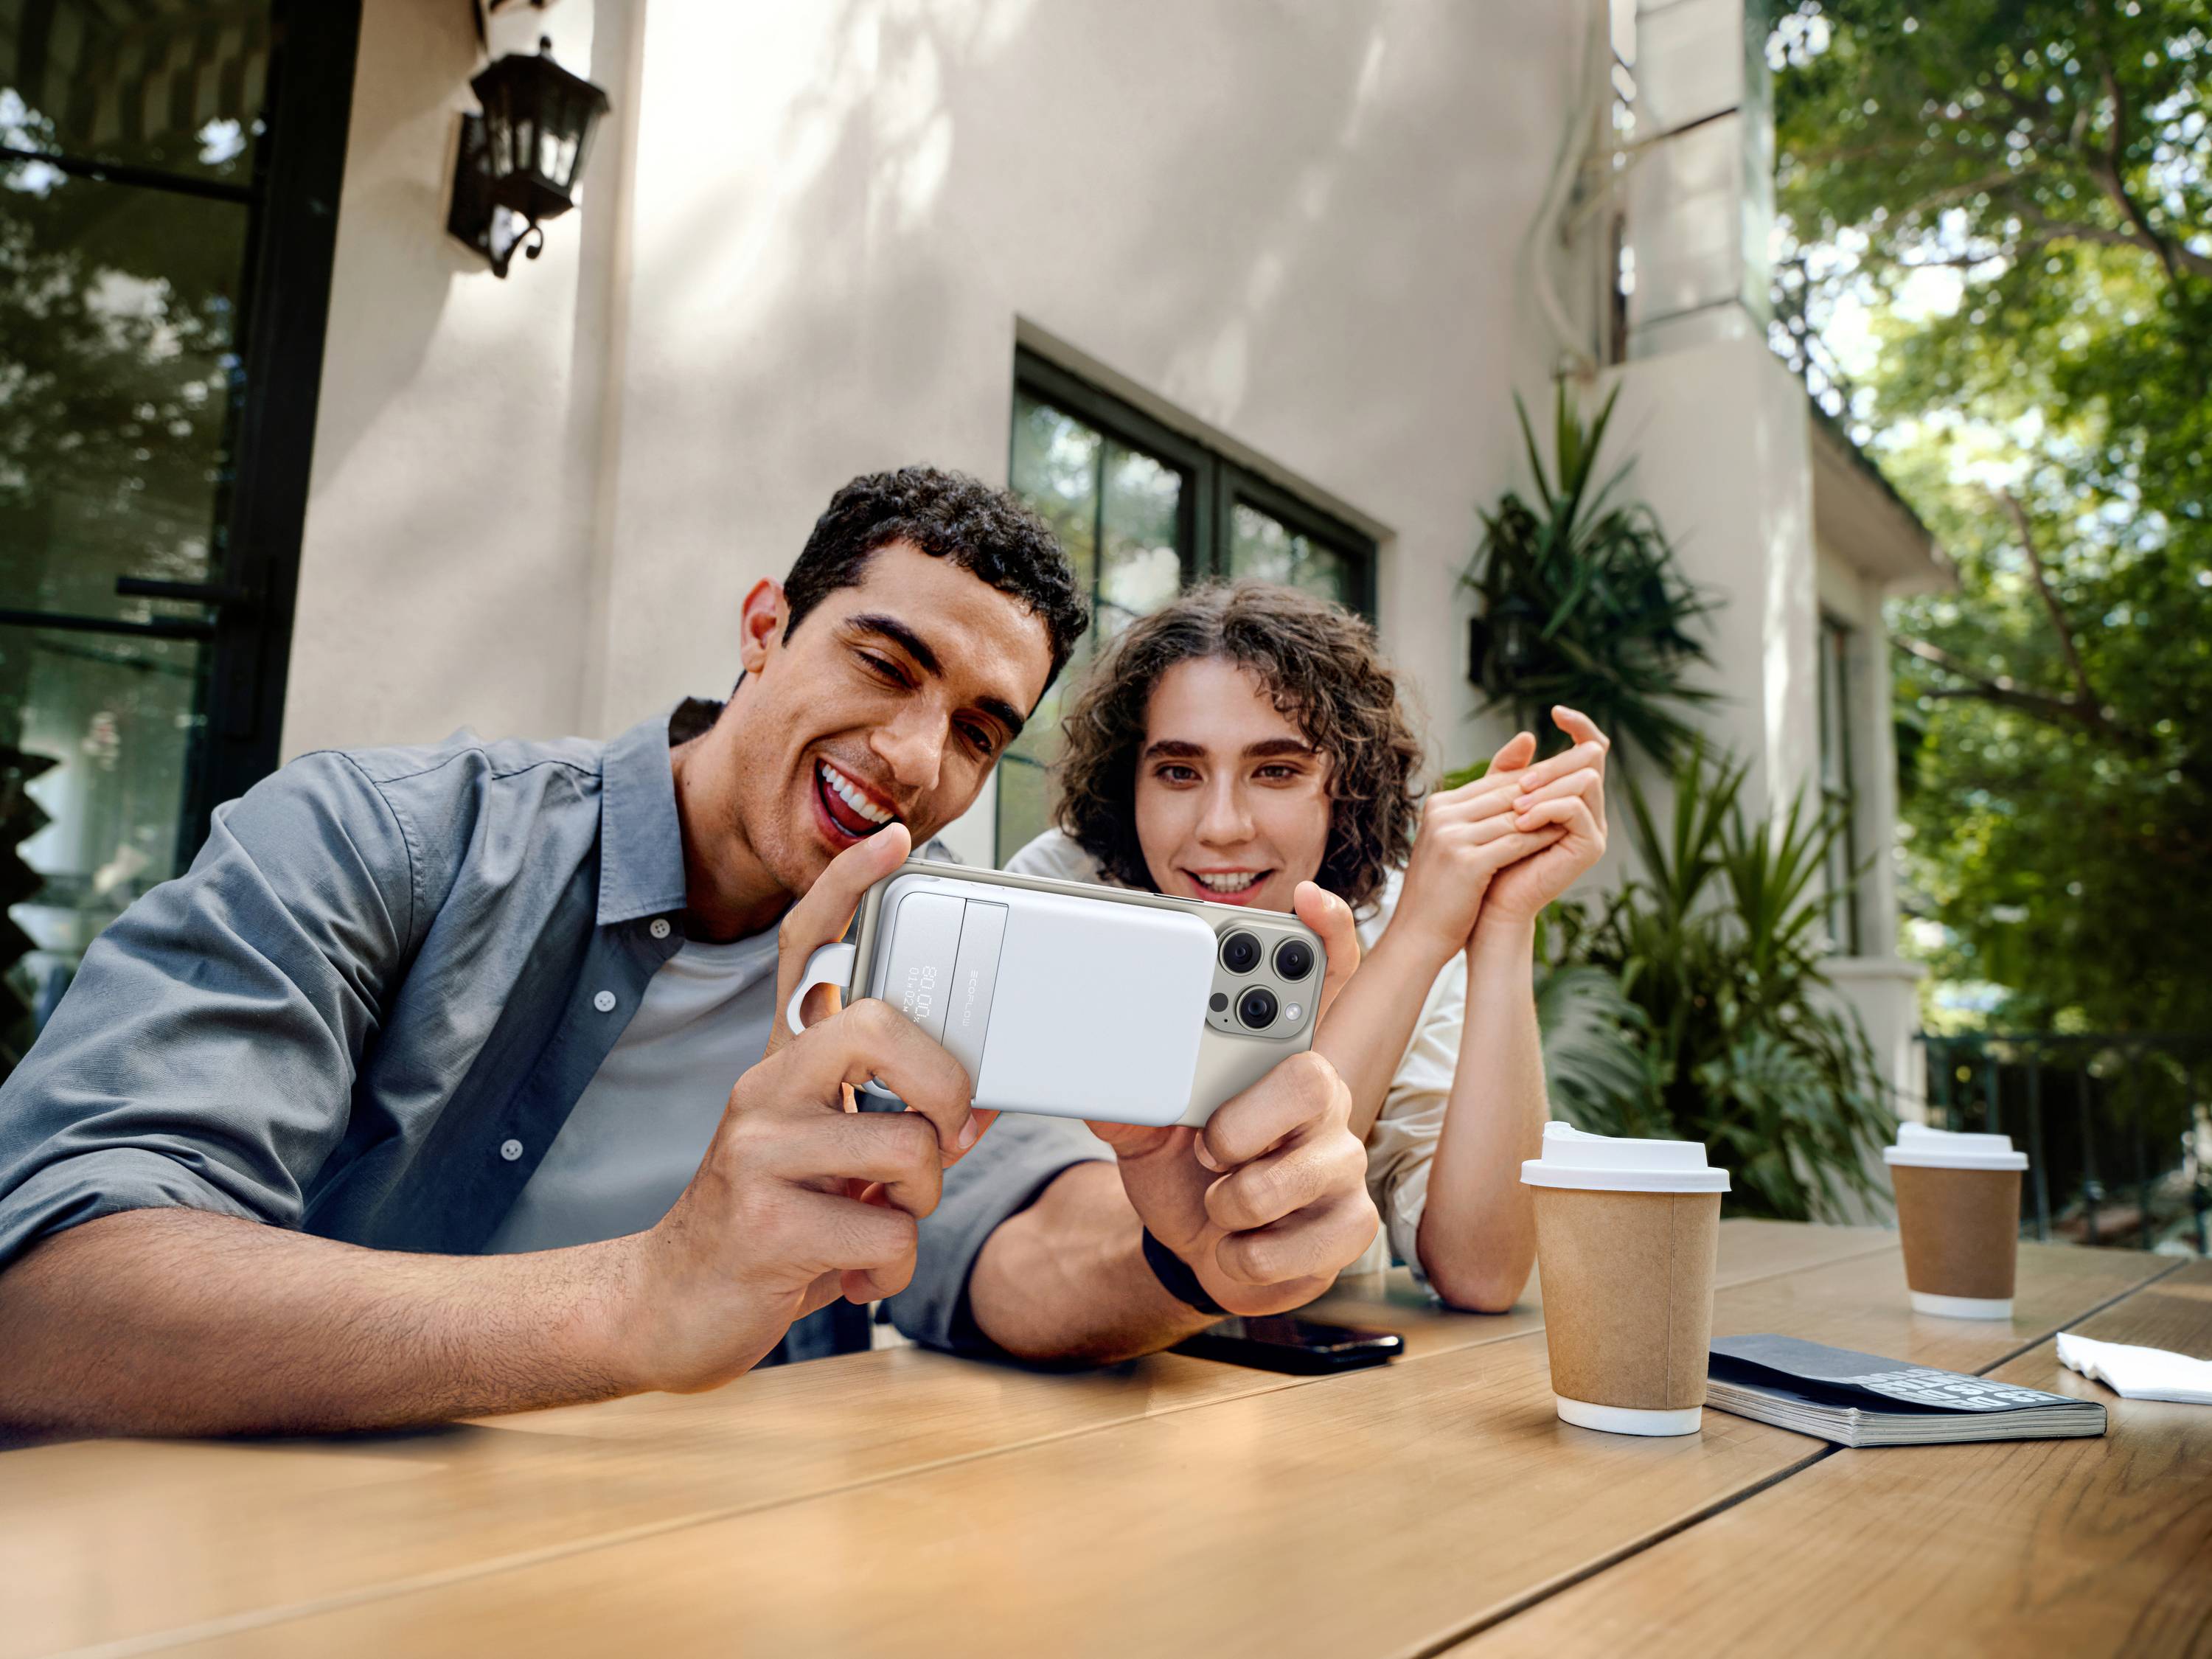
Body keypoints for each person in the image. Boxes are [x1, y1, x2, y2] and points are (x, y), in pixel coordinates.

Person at [0, 470, 1380, 1436]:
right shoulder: (385, 839)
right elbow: (51, 1294)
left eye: (976, 730)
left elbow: (1018, 1251)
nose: (912, 757)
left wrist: (1183, 1249)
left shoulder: (932, 941)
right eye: (884, 664)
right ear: (764, 630)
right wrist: (641, 1297)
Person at [1006, 582, 1609, 1311]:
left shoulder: (1394, 917)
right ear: (1127, 784)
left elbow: (1481, 1269)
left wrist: (1504, 923)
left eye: (1277, 771)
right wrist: (1419, 940)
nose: (1222, 825)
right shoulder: (1062, 897)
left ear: (1344, 789)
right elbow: (1223, 1221)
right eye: (1177, 772)